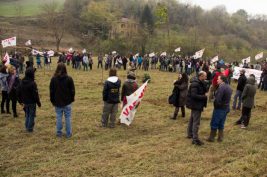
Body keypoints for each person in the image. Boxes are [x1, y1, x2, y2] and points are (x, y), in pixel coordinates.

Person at [49, 63, 75, 138]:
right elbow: (72, 91)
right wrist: (71, 99)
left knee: (59, 117)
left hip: (60, 102)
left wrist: (52, 100)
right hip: (65, 102)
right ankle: (67, 133)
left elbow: (72, 90)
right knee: (67, 117)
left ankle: (61, 133)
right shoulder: (55, 79)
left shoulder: (67, 78)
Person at [207, 75, 232, 142]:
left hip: (220, 108)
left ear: (222, 80)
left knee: (214, 122)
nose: (217, 80)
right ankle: (220, 138)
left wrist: (216, 106)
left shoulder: (221, 87)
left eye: (218, 79)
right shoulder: (229, 87)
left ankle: (211, 138)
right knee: (221, 123)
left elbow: (218, 99)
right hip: (226, 107)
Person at [186, 71, 208, 146]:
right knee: (196, 122)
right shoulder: (195, 84)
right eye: (205, 76)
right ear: (201, 76)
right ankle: (195, 139)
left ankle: (189, 134)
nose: (206, 77)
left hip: (196, 104)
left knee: (192, 119)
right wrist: (204, 96)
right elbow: (194, 95)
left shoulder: (199, 83)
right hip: (196, 105)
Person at [17, 68, 41, 132]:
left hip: (25, 102)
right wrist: (38, 103)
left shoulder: (21, 82)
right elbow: (35, 95)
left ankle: (27, 127)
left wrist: (20, 101)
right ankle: (30, 128)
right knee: (31, 115)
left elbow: (18, 92)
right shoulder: (32, 83)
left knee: (27, 114)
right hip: (31, 102)